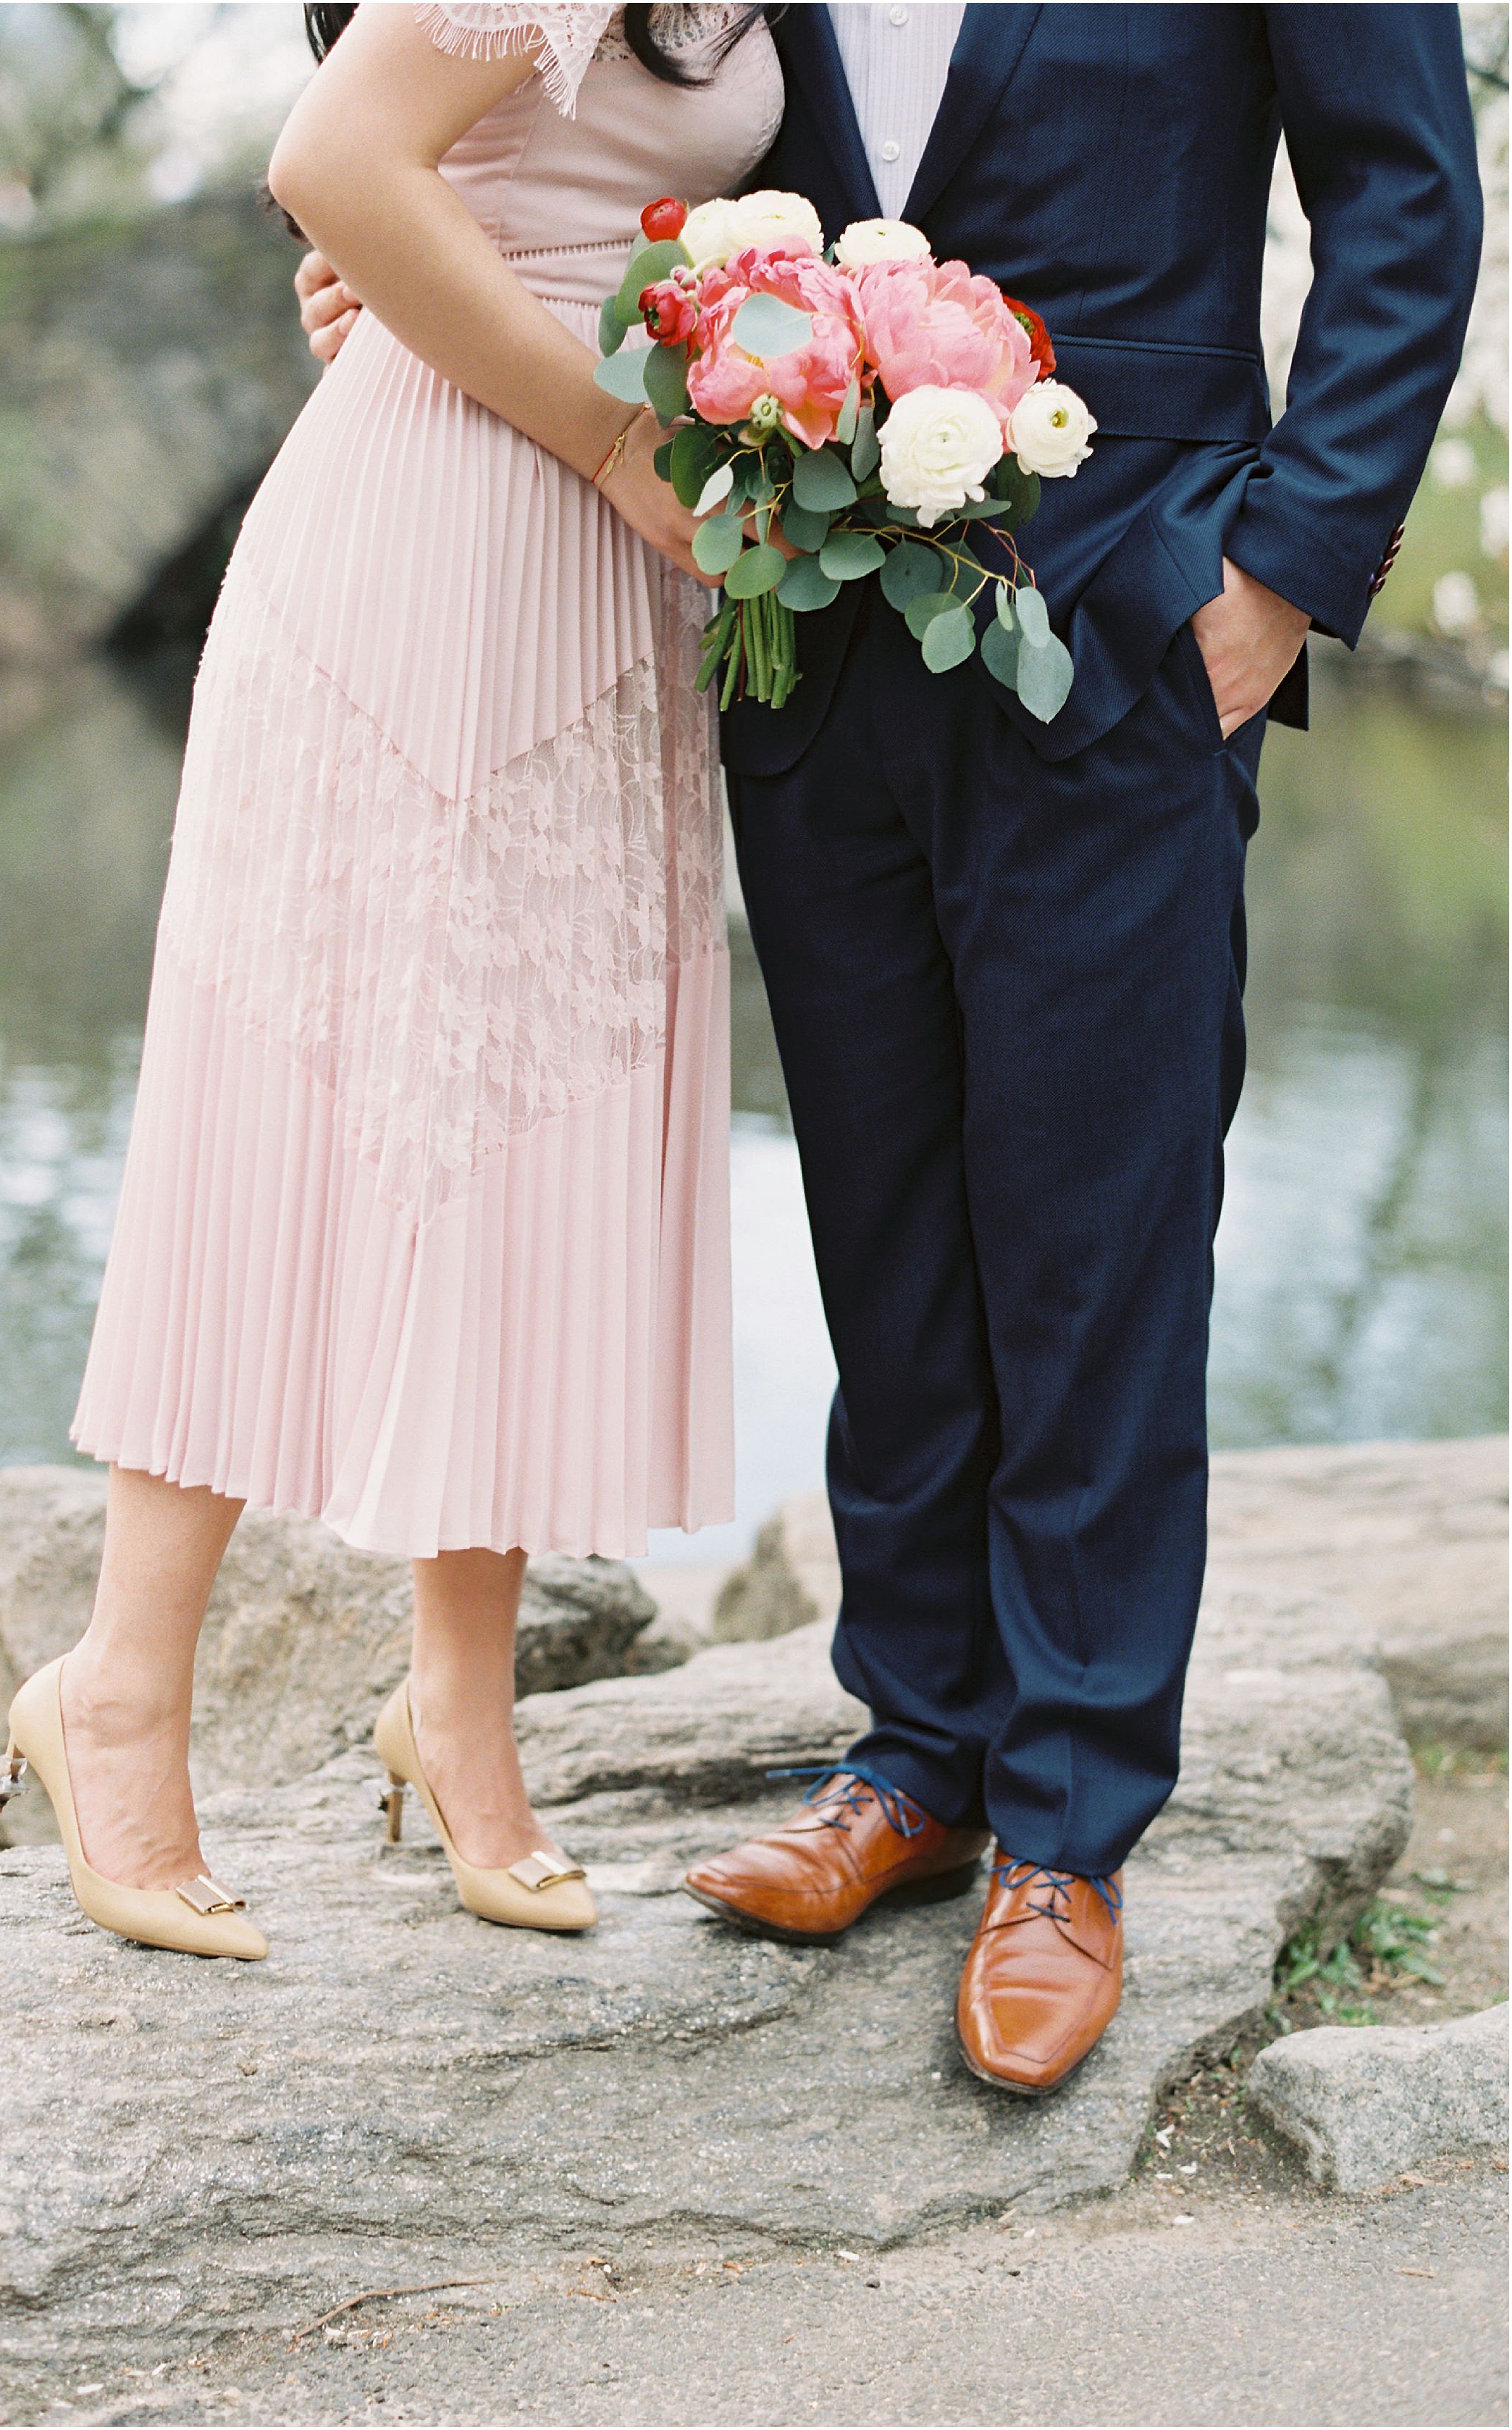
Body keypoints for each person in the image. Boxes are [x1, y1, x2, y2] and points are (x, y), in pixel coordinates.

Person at [299, 3, 1482, 2086]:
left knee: (1094, 1237)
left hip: (1129, 619)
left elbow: (1401, 192)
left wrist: (1280, 576)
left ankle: (1068, 1824)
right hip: (808, 632)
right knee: (882, 1224)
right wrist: (419, 265)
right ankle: (914, 1757)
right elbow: (641, 125)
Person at [0, 3, 784, 1959]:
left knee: (532, 1119)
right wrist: (605, 421)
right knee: (292, 1103)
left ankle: (456, 1710)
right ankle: (114, 1691)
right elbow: (337, 159)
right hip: (437, 533)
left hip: (609, 577)